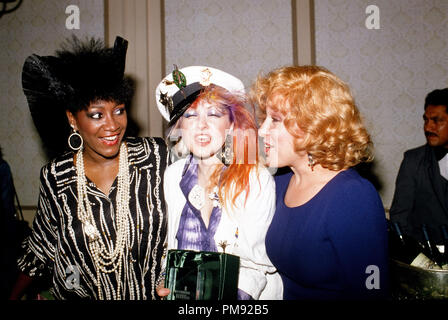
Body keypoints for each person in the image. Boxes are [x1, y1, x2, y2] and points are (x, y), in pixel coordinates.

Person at [9, 36, 168, 300]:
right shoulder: (56, 176)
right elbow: (41, 248)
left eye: (119, 110)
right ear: (73, 119)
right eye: (97, 115)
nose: (112, 125)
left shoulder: (155, 157)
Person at [250, 65, 389, 300]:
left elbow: (372, 291)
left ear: (313, 126)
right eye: (265, 119)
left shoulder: (352, 197)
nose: (262, 130)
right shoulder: (279, 182)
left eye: (275, 120)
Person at [155, 66, 282, 300]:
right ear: (179, 127)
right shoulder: (172, 176)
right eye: (190, 116)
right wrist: (165, 281)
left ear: (232, 124)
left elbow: (255, 266)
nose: (201, 125)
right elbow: (170, 249)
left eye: (213, 114)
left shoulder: (255, 177)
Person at [390, 88, 448, 244]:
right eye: (426, 120)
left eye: (437, 121)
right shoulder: (413, 161)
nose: (428, 128)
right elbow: (400, 220)